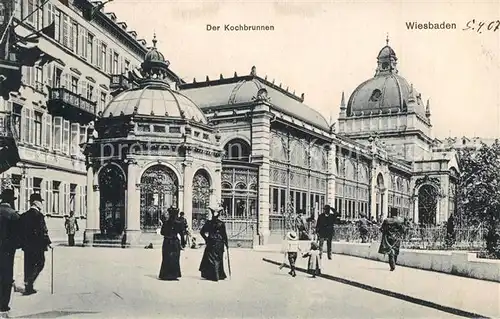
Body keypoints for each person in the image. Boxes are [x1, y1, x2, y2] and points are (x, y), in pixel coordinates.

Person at [20, 193, 51, 295]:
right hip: (38, 246)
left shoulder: (24, 215)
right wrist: (48, 242)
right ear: (37, 203)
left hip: (27, 246)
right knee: (40, 263)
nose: (41, 203)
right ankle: (30, 281)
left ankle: (28, 287)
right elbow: (43, 231)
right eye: (40, 202)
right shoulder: (39, 216)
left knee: (28, 265)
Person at [0, 189, 21, 317]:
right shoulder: (13, 215)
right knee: (6, 277)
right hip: (7, 251)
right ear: (11, 201)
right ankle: (3, 306)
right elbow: (18, 237)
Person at [199, 205, 228, 281]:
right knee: (218, 258)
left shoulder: (208, 223)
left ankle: (211, 274)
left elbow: (202, 232)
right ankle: (219, 274)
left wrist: (206, 239)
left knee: (210, 259)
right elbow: (224, 235)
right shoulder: (221, 223)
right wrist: (226, 244)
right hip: (219, 242)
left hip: (211, 241)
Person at [158, 207, 183, 281]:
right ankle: (174, 275)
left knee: (166, 258)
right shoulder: (179, 223)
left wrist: (168, 233)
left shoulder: (165, 222)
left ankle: (165, 274)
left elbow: (162, 232)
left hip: (167, 241)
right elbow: (181, 233)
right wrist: (183, 243)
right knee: (175, 258)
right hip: (175, 241)